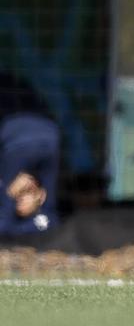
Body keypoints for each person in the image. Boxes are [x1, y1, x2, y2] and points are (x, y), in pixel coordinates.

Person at [0, 71, 60, 236]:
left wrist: (10, 193)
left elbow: (4, 227)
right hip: (50, 137)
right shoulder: (20, 86)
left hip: (18, 143)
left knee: (7, 206)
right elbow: (49, 222)